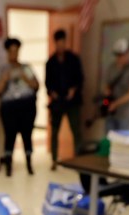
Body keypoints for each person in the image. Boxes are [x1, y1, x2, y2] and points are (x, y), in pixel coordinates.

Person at [0, 37, 39, 176]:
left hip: (27, 105)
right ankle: (8, 166)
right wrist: (4, 79)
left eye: (16, 51)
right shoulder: (3, 70)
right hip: (9, 107)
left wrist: (26, 78)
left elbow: (36, 85)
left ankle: (29, 164)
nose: (14, 54)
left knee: (27, 135)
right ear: (7, 52)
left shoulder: (26, 67)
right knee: (10, 136)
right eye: (11, 51)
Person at [45, 29, 84, 170]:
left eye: (63, 42)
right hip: (57, 103)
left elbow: (80, 79)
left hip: (72, 102)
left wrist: (73, 90)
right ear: (55, 43)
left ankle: (78, 159)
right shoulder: (50, 62)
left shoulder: (74, 59)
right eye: (58, 43)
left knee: (76, 131)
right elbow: (47, 83)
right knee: (55, 131)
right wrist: (52, 93)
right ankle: (54, 160)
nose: (60, 45)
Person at [102, 38, 129, 133]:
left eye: (122, 55)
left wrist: (115, 104)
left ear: (127, 53)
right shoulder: (111, 67)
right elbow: (106, 85)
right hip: (110, 112)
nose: (119, 58)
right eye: (117, 55)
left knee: (122, 142)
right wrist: (107, 95)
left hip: (125, 114)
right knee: (109, 140)